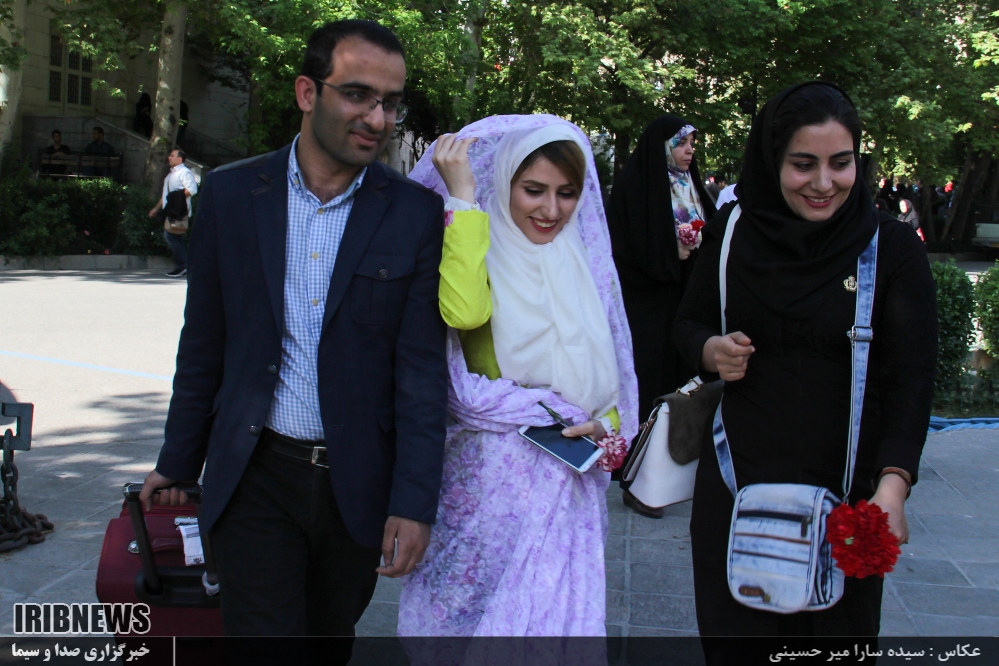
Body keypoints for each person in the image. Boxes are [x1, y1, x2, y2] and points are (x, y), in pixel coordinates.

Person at [137, 20, 448, 660]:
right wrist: (177, 459)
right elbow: (204, 342)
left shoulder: (414, 214)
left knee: (329, 644)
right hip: (255, 474)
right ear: (308, 92)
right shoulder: (230, 195)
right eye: (358, 95)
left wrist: (414, 503)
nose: (378, 118)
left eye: (390, 103)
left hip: (357, 486)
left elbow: (421, 372)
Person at [673, 82, 936, 661]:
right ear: (773, 162)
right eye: (803, 164)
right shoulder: (732, 233)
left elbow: (911, 377)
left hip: (850, 499)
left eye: (840, 163)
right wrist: (710, 350)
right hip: (737, 489)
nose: (823, 183)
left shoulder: (889, 247)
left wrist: (894, 484)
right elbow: (688, 323)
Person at [397, 115, 639, 643]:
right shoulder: (475, 243)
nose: (551, 210)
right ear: (504, 182)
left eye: (567, 193)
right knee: (468, 626)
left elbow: (607, 380)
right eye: (533, 190)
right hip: (485, 489)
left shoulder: (585, 262)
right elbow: (463, 314)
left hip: (564, 483)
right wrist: (463, 199)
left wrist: (604, 427)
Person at [607, 115, 716, 518]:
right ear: (663, 146)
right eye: (682, 143)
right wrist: (672, 251)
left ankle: (668, 476)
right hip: (647, 308)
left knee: (680, 388)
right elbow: (627, 247)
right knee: (647, 387)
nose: (690, 151)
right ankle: (636, 477)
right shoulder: (636, 187)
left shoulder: (691, 185)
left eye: (692, 143)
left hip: (684, 303)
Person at [147, 148, 199, 277]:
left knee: (170, 236)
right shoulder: (171, 174)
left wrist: (177, 200)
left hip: (178, 211)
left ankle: (182, 266)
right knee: (176, 236)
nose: (169, 157)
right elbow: (166, 195)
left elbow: (192, 189)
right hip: (171, 210)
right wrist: (156, 208)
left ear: (179, 159)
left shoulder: (184, 172)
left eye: (172, 155)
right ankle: (184, 265)